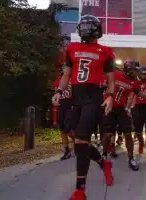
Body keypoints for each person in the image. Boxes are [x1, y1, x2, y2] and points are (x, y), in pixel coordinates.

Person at [52, 15, 115, 200]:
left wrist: (110, 96)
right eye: (84, 24)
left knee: (80, 143)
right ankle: (104, 164)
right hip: (75, 98)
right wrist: (58, 91)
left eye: (89, 25)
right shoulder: (71, 48)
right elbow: (66, 75)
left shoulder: (105, 51)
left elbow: (110, 79)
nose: (86, 27)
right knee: (76, 138)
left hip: (93, 99)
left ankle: (80, 191)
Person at [101, 61, 146, 171]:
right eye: (134, 70)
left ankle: (131, 158)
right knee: (107, 134)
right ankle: (103, 154)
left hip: (122, 109)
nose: (136, 73)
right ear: (127, 69)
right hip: (109, 108)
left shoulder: (134, 83)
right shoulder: (115, 74)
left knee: (128, 134)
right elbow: (103, 84)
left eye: (137, 70)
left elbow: (145, 95)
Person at [53, 76, 74, 160]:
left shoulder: (73, 80)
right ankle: (66, 150)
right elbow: (55, 93)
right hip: (61, 105)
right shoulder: (57, 81)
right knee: (62, 129)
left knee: (69, 129)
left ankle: (79, 144)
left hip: (70, 105)